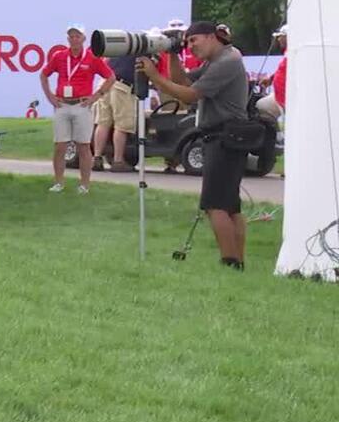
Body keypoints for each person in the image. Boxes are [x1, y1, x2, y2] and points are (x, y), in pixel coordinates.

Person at [138, 22, 251, 270]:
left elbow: (189, 95)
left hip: (222, 138)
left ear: (211, 37)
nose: (191, 46)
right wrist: (173, 53)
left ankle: (230, 263)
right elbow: (184, 81)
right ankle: (238, 262)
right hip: (228, 138)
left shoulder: (226, 62)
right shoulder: (220, 59)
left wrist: (154, 76)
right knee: (231, 206)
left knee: (215, 205)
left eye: (193, 41)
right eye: (186, 42)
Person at [39, 23, 115, 194]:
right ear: (68, 39)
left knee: (83, 146)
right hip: (62, 104)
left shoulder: (92, 58)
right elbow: (44, 74)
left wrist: (97, 95)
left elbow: (110, 77)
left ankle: (85, 184)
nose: (74, 39)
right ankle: (58, 182)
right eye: (71, 36)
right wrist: (50, 96)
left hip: (82, 104)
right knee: (60, 145)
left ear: (83, 38)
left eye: (77, 36)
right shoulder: (59, 56)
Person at [91, 54, 140, 172]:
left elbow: (105, 62)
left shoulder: (119, 50)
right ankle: (118, 161)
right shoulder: (142, 52)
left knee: (103, 123)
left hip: (105, 83)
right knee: (121, 125)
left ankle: (96, 158)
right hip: (123, 86)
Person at [257, 25, 288, 123]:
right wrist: (271, 79)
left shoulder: (295, 53)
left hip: (286, 98)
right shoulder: (288, 53)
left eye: (281, 36)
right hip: (280, 96)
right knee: (261, 105)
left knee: (261, 106)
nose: (278, 39)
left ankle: (276, 133)